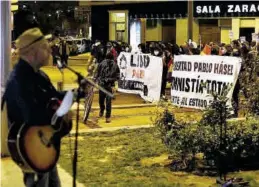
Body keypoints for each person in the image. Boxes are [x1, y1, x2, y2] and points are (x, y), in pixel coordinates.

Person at [2, 28, 72, 187]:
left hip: (45, 147)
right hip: (33, 149)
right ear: (33, 52)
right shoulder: (18, 80)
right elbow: (32, 116)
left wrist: (72, 94)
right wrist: (59, 113)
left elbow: (51, 97)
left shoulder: (39, 75)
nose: (49, 51)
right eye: (45, 47)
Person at [94, 52, 120, 123]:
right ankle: (108, 117)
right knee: (108, 101)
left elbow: (97, 73)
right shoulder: (115, 65)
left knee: (101, 99)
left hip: (102, 84)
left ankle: (102, 110)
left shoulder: (101, 63)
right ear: (112, 58)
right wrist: (115, 84)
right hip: (110, 85)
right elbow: (118, 76)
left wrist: (95, 79)